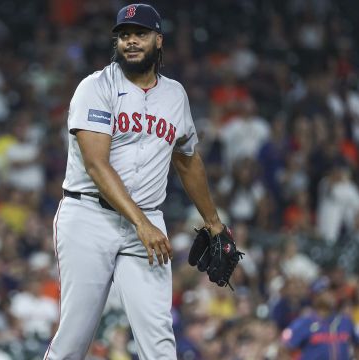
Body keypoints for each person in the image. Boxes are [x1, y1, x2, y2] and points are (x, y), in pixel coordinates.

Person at [44, 4, 226, 359]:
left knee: (159, 340)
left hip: (147, 222)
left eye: (139, 34)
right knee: (75, 337)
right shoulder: (95, 87)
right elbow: (97, 166)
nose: (130, 41)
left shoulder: (175, 95)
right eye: (124, 35)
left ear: (158, 40)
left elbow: (187, 161)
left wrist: (214, 223)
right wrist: (141, 223)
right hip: (89, 217)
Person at [281, 277, 359, 360]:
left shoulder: (345, 321)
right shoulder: (304, 322)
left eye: (332, 291)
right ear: (315, 297)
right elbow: (284, 348)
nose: (331, 295)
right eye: (326, 292)